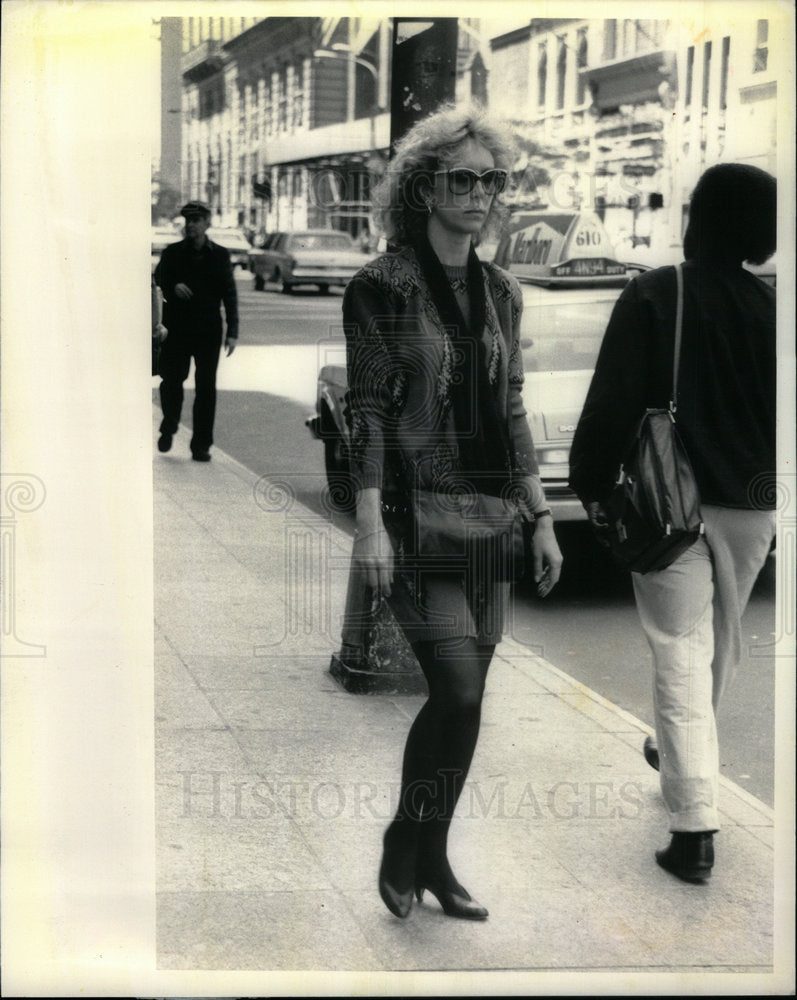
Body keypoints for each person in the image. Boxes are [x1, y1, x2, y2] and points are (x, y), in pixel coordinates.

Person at [342, 103, 563, 921]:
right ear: (424, 185)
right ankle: (405, 839)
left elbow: (510, 409)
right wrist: (368, 526)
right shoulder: (381, 284)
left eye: (492, 180)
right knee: (459, 689)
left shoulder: (503, 290)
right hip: (410, 515)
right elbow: (366, 408)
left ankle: (433, 857)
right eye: (462, 178)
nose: (479, 194)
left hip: (489, 521)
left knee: (464, 704)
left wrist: (540, 517)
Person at [569, 163, 777, 883]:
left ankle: (693, 827)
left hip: (673, 505)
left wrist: (591, 485)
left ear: (697, 215)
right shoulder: (773, 306)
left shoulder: (659, 292)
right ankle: (680, 755)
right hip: (754, 505)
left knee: (678, 652)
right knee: (719, 644)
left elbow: (612, 402)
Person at [154, 201, 238, 461]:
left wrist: (233, 330)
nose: (191, 225)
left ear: (207, 223)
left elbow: (229, 293)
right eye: (188, 220)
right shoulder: (172, 253)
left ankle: (201, 445)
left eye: (197, 220)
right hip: (178, 329)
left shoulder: (221, 255)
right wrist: (173, 286)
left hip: (208, 330)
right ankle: (169, 424)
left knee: (206, 388)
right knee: (172, 380)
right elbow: (158, 279)